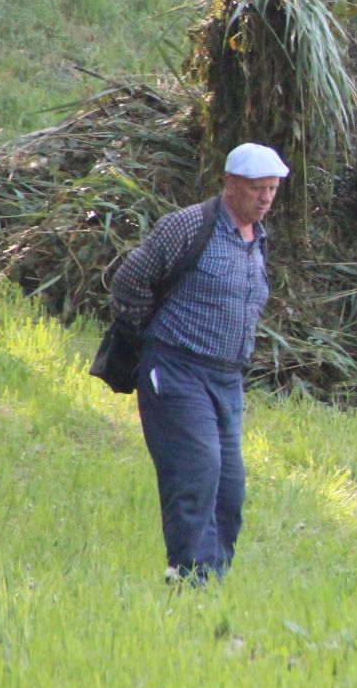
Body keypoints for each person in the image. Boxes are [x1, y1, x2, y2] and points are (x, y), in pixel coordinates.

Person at [110, 142, 288, 584]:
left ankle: (213, 580)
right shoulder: (190, 227)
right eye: (257, 189)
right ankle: (189, 576)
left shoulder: (257, 238)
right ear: (231, 184)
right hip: (176, 370)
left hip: (227, 380)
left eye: (272, 190)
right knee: (196, 471)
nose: (266, 199)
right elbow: (130, 281)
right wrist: (148, 343)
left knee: (230, 488)